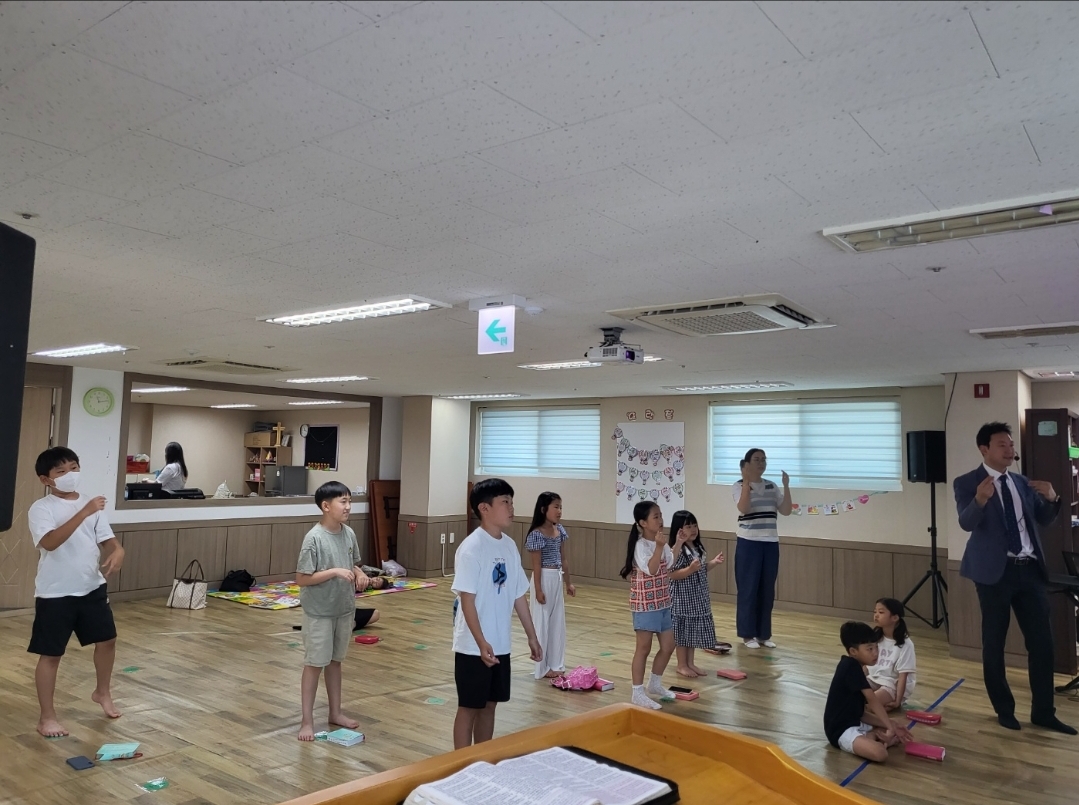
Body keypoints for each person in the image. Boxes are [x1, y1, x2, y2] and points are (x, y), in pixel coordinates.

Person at [954, 421, 1075, 735]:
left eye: (1011, 444)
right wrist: (980, 500)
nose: (1010, 450)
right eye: (1002, 445)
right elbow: (966, 523)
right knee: (994, 643)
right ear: (984, 449)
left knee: (1042, 643)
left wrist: (1053, 498)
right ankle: (1004, 711)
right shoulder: (967, 482)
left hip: (1030, 570)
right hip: (994, 574)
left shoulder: (1021, 482)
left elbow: (1044, 519)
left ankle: (1044, 713)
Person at [27, 446, 126, 738]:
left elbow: (107, 539)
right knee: (51, 654)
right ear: (46, 479)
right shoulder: (41, 508)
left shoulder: (89, 505)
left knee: (107, 640)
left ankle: (102, 692)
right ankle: (47, 717)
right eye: (61, 471)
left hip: (91, 586)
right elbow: (50, 542)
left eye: (73, 468)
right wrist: (84, 512)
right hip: (55, 593)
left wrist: (118, 550)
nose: (70, 474)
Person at [451, 478, 542, 749]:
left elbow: (518, 595)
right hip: (473, 647)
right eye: (505, 502)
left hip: (501, 644)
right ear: (484, 508)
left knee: (490, 705)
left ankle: (482, 758)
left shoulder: (509, 546)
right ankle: (461, 763)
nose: (511, 508)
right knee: (469, 706)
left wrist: (532, 636)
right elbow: (467, 601)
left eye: (512, 502)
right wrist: (481, 642)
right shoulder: (471, 548)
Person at [295, 481, 371, 741]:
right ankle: (306, 721)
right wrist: (334, 572)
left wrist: (359, 573)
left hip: (343, 608)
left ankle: (335, 712)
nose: (348, 506)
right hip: (319, 612)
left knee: (335, 662)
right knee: (314, 664)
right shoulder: (314, 538)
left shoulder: (349, 533)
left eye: (350, 501)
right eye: (343, 501)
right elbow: (302, 578)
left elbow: (352, 563)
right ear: (326, 506)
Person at [619, 500, 680, 709]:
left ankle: (655, 683)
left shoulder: (660, 542)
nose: (661, 520)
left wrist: (678, 543)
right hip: (645, 604)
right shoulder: (640, 545)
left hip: (663, 601)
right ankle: (637, 692)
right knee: (643, 648)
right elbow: (652, 569)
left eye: (661, 515)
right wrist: (660, 546)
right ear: (643, 523)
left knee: (669, 645)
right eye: (656, 516)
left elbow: (669, 564)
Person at [824, 621, 912, 762]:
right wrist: (889, 727)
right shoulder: (850, 666)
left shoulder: (858, 667)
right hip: (841, 730)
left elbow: (860, 713)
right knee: (880, 753)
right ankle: (875, 737)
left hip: (857, 721)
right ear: (853, 651)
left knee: (894, 724)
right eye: (869, 649)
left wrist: (891, 725)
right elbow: (873, 700)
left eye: (876, 647)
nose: (875, 653)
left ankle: (875, 736)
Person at [732, 448, 792, 648]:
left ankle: (763, 635)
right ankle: (747, 635)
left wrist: (786, 486)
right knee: (748, 589)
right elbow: (744, 508)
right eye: (756, 460)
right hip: (748, 542)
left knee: (767, 590)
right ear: (747, 464)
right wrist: (746, 482)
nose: (761, 463)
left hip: (770, 543)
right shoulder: (738, 486)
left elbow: (786, 511)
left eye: (764, 460)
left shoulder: (771, 486)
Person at [666, 510, 728, 678]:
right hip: (683, 599)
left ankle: (690, 663)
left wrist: (713, 562)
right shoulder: (677, 550)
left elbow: (701, 570)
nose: (693, 529)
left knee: (691, 632)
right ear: (679, 530)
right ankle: (681, 664)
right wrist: (690, 569)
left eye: (695, 525)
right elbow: (671, 574)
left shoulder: (697, 548)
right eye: (688, 526)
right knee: (682, 634)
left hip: (698, 597)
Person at [525, 491, 575, 679]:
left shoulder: (559, 530)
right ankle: (542, 666)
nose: (559, 511)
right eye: (556, 507)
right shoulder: (536, 534)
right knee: (542, 621)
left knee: (556, 622)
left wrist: (568, 583)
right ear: (543, 509)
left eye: (560, 507)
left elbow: (564, 559)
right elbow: (536, 565)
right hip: (543, 578)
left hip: (556, 577)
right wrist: (538, 589)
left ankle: (555, 663)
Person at [866, 597, 916, 710]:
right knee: (851, 697)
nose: (876, 615)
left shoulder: (906, 644)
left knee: (870, 706)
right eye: (875, 612)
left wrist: (898, 701)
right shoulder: (874, 636)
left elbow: (903, 676)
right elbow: (866, 664)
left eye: (881, 612)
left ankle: (886, 705)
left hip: (892, 684)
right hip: (874, 678)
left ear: (895, 617)